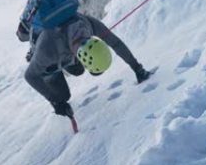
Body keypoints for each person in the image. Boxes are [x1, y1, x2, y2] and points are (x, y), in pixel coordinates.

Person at [20, 10, 152, 118]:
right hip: (48, 55)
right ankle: (47, 71)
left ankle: (66, 64)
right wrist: (55, 101)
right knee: (63, 96)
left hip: (65, 46)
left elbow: (115, 43)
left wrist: (137, 68)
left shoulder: (88, 25)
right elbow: (30, 76)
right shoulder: (48, 51)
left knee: (78, 70)